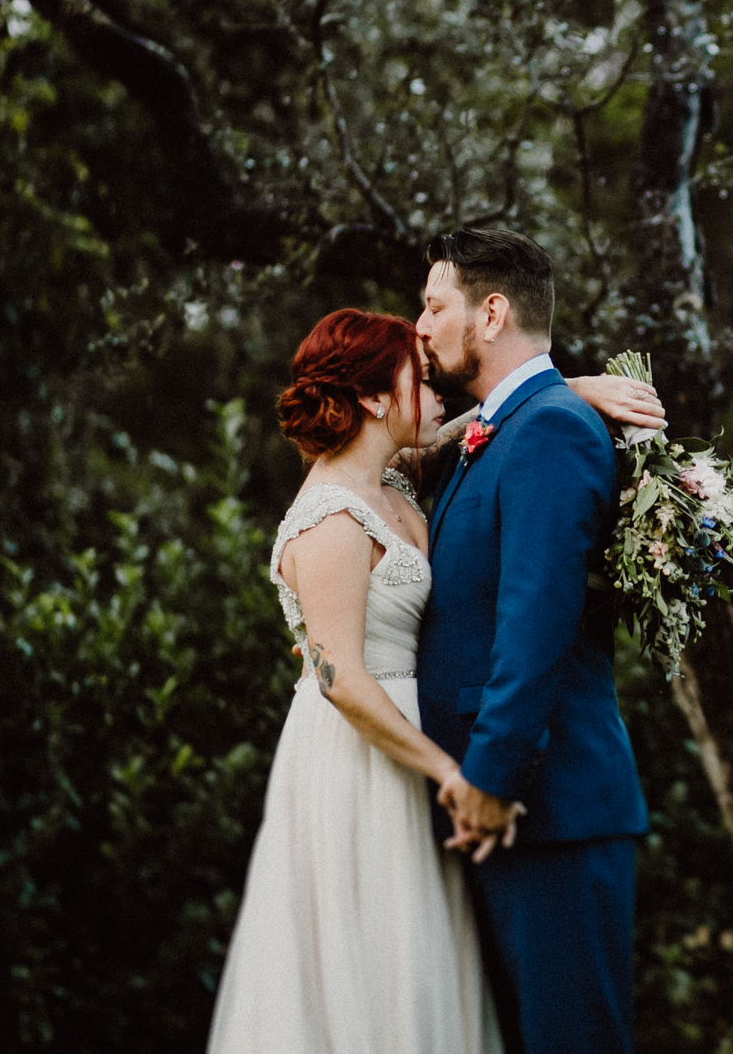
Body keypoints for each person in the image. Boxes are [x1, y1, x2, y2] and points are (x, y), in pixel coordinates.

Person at [208, 306, 662, 1054]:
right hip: (365, 764)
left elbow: (491, 422)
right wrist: (452, 772)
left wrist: (571, 388)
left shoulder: (399, 478)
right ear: (378, 399)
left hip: (416, 758)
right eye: (419, 379)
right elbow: (343, 680)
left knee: (428, 975)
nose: (438, 391)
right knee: (372, 977)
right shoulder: (327, 517)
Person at [414, 228, 652, 1054]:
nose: (420, 323)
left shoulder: (549, 429)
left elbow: (536, 618)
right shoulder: (502, 429)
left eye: (434, 304)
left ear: (491, 311)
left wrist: (491, 775)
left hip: (545, 810)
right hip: (502, 814)